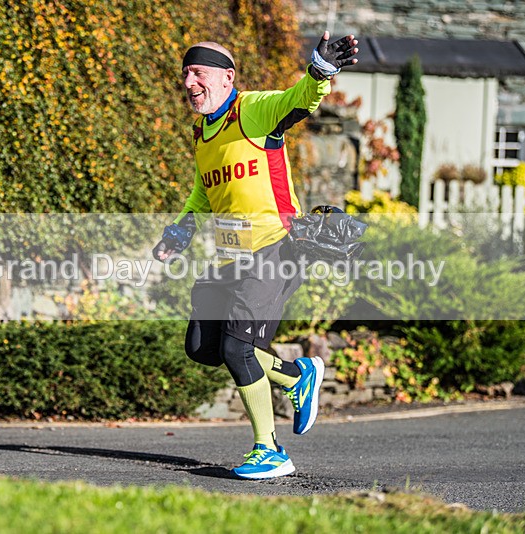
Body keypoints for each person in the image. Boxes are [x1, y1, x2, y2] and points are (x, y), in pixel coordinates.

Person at [153, 32, 358, 480]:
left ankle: (269, 450)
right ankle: (293, 375)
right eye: (186, 74)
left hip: (277, 246)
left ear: (227, 78)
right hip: (231, 257)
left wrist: (321, 70)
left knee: (238, 347)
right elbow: (203, 191)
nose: (189, 82)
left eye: (198, 73)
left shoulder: (254, 109)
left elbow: (299, 99)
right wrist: (181, 230)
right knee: (204, 347)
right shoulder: (203, 133)